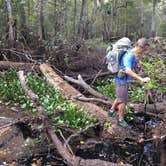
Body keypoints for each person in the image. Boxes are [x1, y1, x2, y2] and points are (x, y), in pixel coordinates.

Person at [108, 38, 150, 128]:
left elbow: (135, 66)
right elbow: (127, 70)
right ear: (140, 47)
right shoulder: (129, 55)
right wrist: (141, 79)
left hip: (124, 80)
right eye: (144, 50)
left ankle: (111, 111)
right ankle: (120, 120)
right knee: (123, 101)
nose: (144, 52)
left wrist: (140, 69)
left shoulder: (134, 54)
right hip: (121, 81)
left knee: (120, 97)